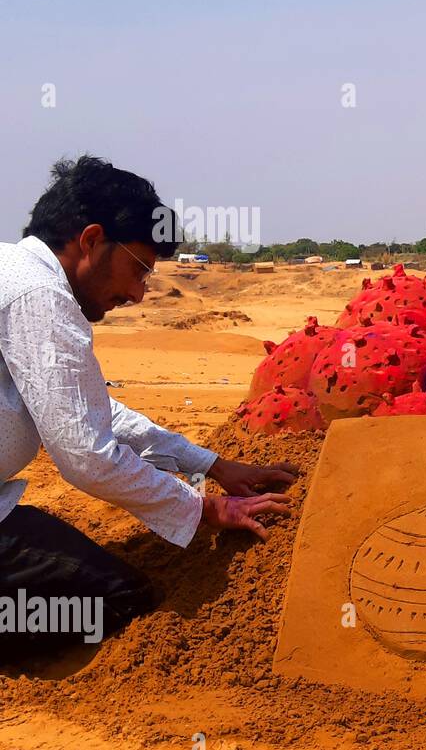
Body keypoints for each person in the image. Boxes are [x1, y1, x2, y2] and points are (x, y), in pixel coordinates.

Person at [0, 156, 295, 657]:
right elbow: (87, 456)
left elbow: (89, 409)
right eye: (138, 270)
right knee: (122, 599)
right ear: (91, 240)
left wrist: (211, 465)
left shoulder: (19, 275)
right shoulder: (37, 294)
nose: (137, 293)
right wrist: (202, 508)